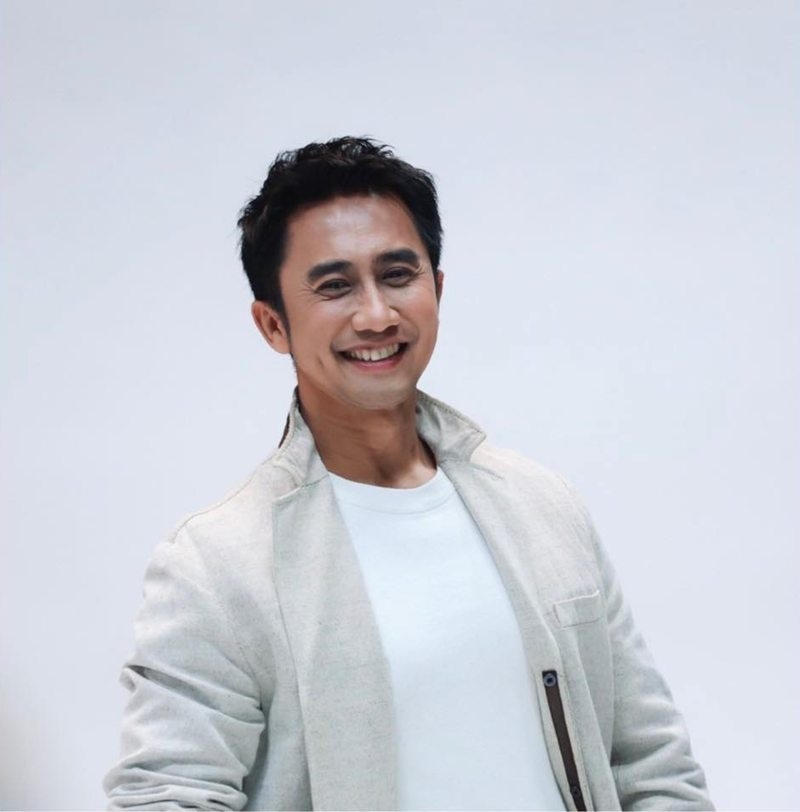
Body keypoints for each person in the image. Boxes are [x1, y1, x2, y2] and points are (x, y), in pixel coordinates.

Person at [104, 137, 713, 811]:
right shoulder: (219, 563)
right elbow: (166, 794)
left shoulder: (542, 504)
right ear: (273, 325)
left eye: (397, 275)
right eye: (335, 286)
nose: (376, 315)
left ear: (437, 289)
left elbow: (653, 765)